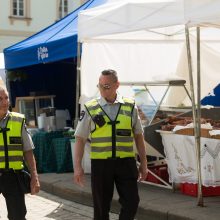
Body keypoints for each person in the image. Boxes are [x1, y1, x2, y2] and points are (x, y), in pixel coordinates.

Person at [73, 69, 148, 220]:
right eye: (99, 86)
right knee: (101, 209)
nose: (102, 90)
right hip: (101, 165)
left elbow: (139, 136)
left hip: (126, 163)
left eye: (106, 86)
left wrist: (144, 163)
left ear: (117, 85)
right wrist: (77, 167)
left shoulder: (130, 106)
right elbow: (80, 138)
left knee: (132, 202)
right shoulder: (90, 108)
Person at [0, 86, 40, 220]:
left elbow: (28, 150)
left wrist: (34, 176)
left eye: (6, 98)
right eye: (0, 99)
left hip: (13, 177)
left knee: (18, 216)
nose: (5, 102)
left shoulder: (18, 120)